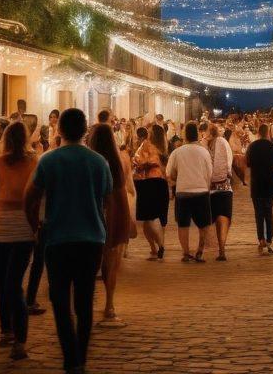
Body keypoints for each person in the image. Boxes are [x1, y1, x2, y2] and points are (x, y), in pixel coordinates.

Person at [26, 107, 111, 374]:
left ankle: (69, 357)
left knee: (60, 301)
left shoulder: (49, 160)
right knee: (85, 301)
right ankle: (81, 358)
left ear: (59, 129)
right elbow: (108, 201)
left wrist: (35, 226)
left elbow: (30, 197)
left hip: (58, 238)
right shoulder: (99, 162)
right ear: (85, 130)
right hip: (91, 238)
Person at [0, 120, 37, 360]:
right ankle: (18, 338)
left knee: (3, 281)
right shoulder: (33, 163)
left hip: (1, 225)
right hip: (24, 225)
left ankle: (7, 330)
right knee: (13, 283)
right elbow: (39, 193)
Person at [87, 122, 132, 325]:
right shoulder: (117, 161)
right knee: (112, 262)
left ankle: (87, 304)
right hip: (115, 209)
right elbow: (123, 189)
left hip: (95, 210)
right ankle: (109, 304)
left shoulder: (90, 161)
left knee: (90, 262)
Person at [165, 121, 213, 262]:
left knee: (183, 224)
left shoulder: (177, 152)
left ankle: (186, 252)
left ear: (184, 135)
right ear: (197, 134)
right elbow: (209, 173)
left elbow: (169, 172)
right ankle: (199, 250)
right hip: (201, 191)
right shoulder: (204, 152)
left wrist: (176, 179)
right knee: (204, 224)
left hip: (183, 192)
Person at [133, 124, 169, 260]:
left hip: (147, 182)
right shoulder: (164, 148)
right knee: (159, 216)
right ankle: (160, 245)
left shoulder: (146, 145)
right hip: (162, 182)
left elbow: (138, 160)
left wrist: (138, 163)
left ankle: (156, 247)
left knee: (148, 218)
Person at [246, 122, 273, 254]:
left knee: (258, 214)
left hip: (256, 184)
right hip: (269, 183)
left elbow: (248, 164)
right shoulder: (272, 147)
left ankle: (261, 239)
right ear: (268, 133)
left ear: (258, 133)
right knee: (269, 213)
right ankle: (269, 240)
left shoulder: (252, 146)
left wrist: (247, 181)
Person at [205, 122, 234, 261]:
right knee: (223, 217)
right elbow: (228, 162)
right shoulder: (223, 142)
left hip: (210, 187)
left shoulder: (205, 145)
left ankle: (218, 248)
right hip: (225, 186)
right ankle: (222, 248)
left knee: (216, 218)